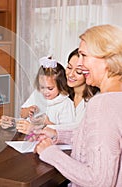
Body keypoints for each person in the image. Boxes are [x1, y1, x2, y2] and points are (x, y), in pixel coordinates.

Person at [33, 24, 122, 186]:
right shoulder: (116, 98)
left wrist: (50, 153)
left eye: (83, 55)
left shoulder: (103, 104)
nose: (79, 65)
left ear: (107, 59)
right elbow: (103, 142)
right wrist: (58, 135)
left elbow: (98, 181)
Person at [0, 57, 75, 129]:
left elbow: (66, 132)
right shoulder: (37, 95)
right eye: (42, 87)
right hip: (30, 137)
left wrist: (47, 122)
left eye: (50, 88)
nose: (45, 92)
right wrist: (28, 110)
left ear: (61, 85)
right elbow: (22, 114)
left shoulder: (65, 104)